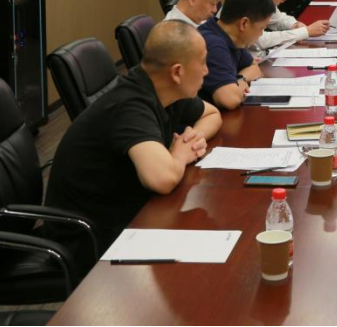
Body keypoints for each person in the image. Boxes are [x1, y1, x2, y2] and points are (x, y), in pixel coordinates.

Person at [44, 21, 222, 266]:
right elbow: (162, 179)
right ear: (177, 72)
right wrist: (180, 155)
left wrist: (191, 140)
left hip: (128, 212)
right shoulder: (129, 106)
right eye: (202, 62)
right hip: (89, 237)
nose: (206, 71)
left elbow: (213, 115)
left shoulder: (166, 88)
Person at [198, 0, 275, 109]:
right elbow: (229, 100)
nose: (261, 34)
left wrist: (241, 79)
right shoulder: (213, 45)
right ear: (244, 23)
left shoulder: (232, 38)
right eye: (261, 28)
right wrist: (239, 83)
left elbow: (254, 67)